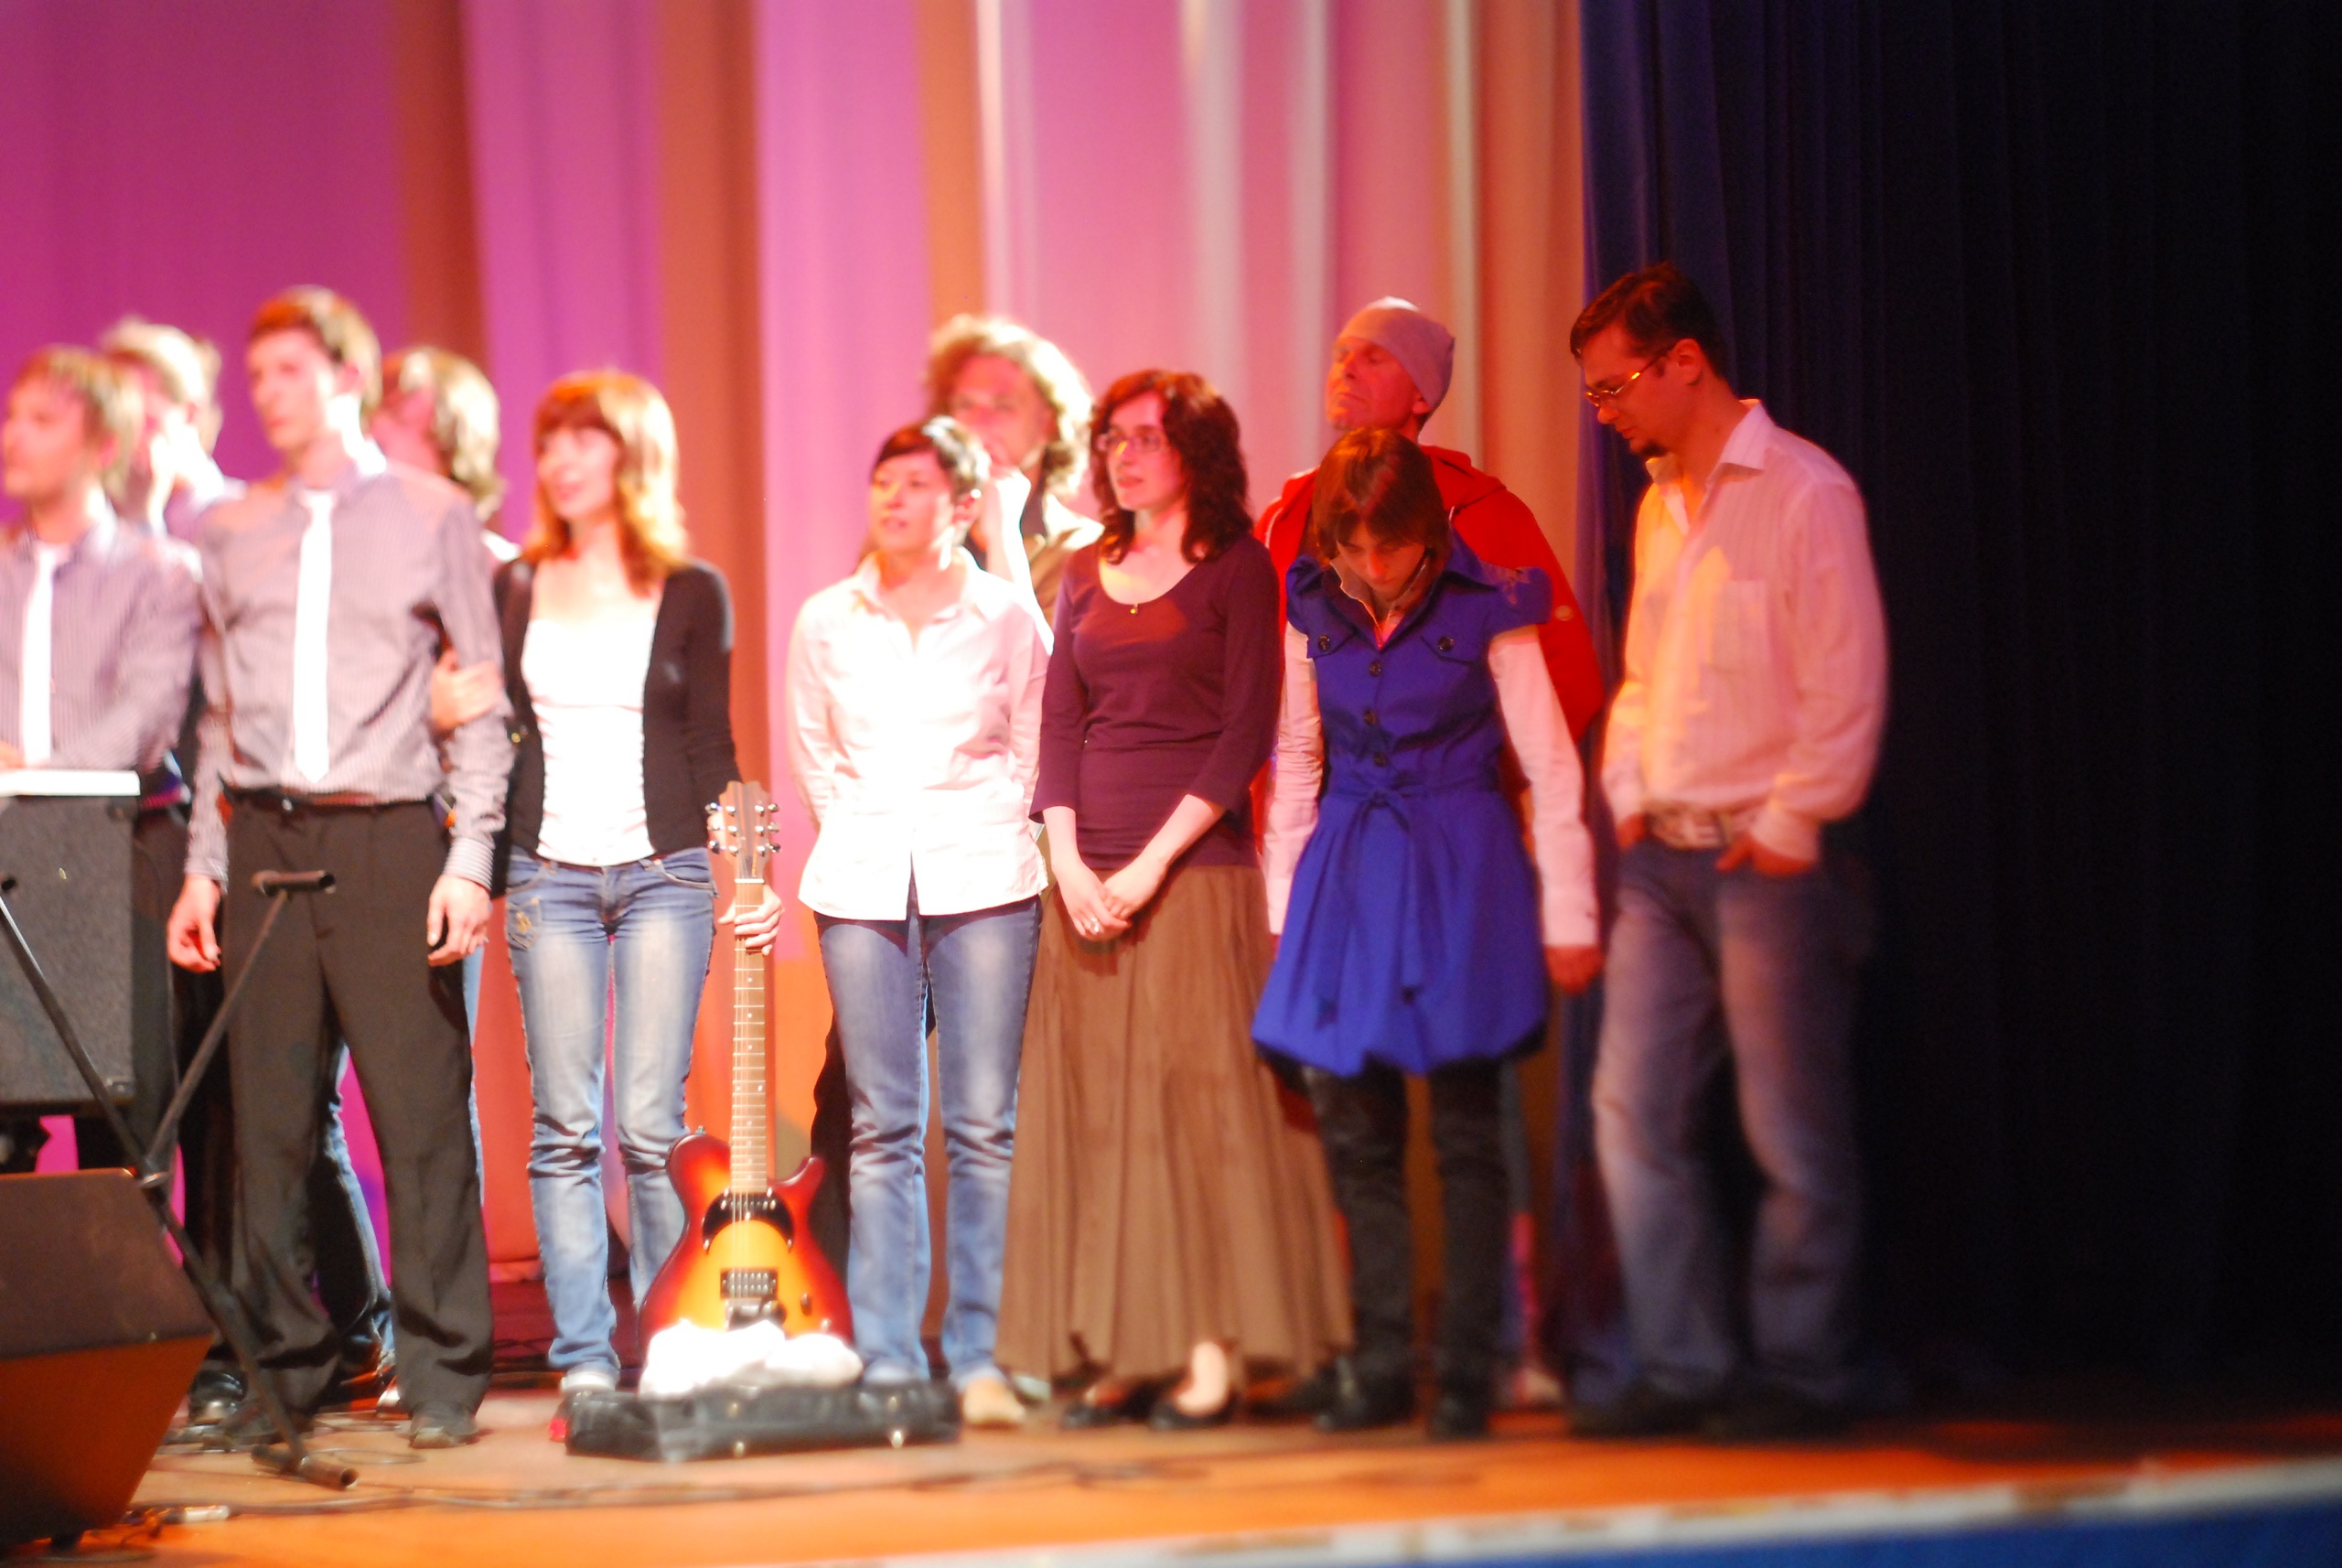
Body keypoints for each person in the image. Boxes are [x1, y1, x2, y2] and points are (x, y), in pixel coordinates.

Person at [164, 286, 509, 1450]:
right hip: (265, 833)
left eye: (293, 372)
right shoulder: (233, 529)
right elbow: (219, 721)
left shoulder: (430, 513)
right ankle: (289, 1374)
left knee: (419, 1114)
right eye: (258, 374)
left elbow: (480, 703)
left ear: (348, 377)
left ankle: (445, 1373)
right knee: (266, 1127)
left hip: (387, 829)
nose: (270, 394)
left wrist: (469, 859)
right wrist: (205, 868)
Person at [996, 370, 1348, 1429]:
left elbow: (1244, 735)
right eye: (1112, 438)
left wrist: (1148, 867)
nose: (1124, 455)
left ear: (1195, 450)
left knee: (1196, 1117)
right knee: (1103, 1121)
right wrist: (1066, 858)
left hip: (1191, 875)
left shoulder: (1238, 568)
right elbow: (1060, 724)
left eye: (1146, 437)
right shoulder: (1085, 570)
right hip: (1084, 878)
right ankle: (1122, 1350)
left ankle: (1209, 1349)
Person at [1571, 263, 1886, 1441]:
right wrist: (1628, 792)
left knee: (1789, 1125)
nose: (1604, 413)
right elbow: (1644, 673)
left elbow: (1846, 680)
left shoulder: (1803, 490)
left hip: (1763, 853)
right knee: (1631, 1110)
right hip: (1664, 857)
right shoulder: (1661, 505)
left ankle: (1803, 1369)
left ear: (1684, 363)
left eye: (1613, 388)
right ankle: (1682, 1362)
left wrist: (1790, 824)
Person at [1256, 429, 1603, 1441]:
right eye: (1353, 547)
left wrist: (1570, 912)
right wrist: (1282, 916)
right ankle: (1378, 1364)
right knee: (1355, 1126)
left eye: (1390, 546)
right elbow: (1296, 766)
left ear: (1428, 532)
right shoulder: (1312, 607)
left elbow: (1551, 765)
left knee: (1464, 1126)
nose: (1372, 567)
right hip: (1349, 865)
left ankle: (1464, 1372)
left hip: (1460, 858)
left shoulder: (1488, 602)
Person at [103, 322, 398, 1423]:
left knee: (250, 1112)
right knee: (151, 1113)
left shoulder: (236, 528)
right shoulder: (104, 549)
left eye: (139, 405)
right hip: (135, 856)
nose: (117, 430)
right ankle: (177, 1344)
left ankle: (283, 1341)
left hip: (241, 844)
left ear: (188, 414)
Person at [492, 370, 759, 1412]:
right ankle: (586, 1360)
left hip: (664, 873)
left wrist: (744, 869)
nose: (560, 461)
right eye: (550, 442)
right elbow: (494, 732)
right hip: (547, 874)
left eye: (584, 441)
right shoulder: (517, 584)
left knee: (651, 1126)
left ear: (631, 455)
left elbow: (710, 743)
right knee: (563, 1126)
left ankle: (666, 1341)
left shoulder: (692, 589)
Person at [779, 417, 1048, 1428]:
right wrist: (861, 830)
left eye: (919, 483)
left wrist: (988, 825)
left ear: (966, 505)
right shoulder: (826, 618)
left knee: (982, 1126)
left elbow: (1034, 745)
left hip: (983, 875)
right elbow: (814, 756)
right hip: (861, 883)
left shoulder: (1004, 615)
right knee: (881, 1125)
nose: (894, 499)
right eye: (884, 481)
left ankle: (978, 1355)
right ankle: (889, 1355)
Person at [0, 347, 200, 1173]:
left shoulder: (160, 572)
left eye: (43, 420)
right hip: (10, 856)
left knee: (125, 1115)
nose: (13, 435)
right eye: (13, 415)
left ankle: (128, 1259)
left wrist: (29, 778)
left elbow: (145, 719)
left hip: (120, 848)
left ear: (103, 446)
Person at [1255, 298, 1604, 739]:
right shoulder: (1283, 517)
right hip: (1313, 776)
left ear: (1421, 394)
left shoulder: (1477, 509)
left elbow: (1565, 673)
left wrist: (1483, 769)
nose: (1347, 369)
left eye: (1374, 358)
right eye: (1341, 355)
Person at [926, 314, 1101, 613]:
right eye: (965, 405)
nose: (979, 423)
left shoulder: (1084, 550)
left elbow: (1023, 640)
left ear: (1049, 424)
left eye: (1002, 407)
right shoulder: (920, 525)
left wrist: (1003, 533)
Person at [96, 317, 235, 545]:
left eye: (136, 415)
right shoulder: (102, 519)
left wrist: (143, 520)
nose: (119, 433)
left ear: (191, 413)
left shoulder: (239, 517)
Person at [374, 346, 517, 562]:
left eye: (402, 420)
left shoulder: (495, 566)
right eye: (377, 414)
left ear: (449, 446)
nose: (377, 431)